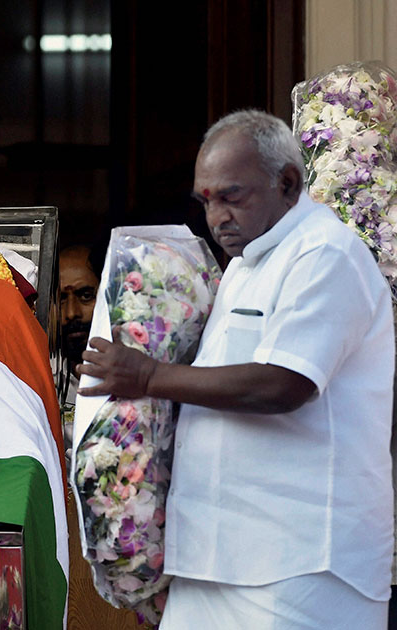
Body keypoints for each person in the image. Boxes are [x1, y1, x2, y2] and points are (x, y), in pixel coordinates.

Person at [78, 110, 393, 629]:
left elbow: (283, 383)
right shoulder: (245, 264)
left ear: (287, 183)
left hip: (299, 567)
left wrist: (149, 376)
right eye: (207, 201)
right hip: (211, 560)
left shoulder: (326, 253)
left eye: (232, 196)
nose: (217, 216)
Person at [56, 245, 101, 406]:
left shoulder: (134, 374)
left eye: (86, 296)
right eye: (61, 299)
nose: (71, 313)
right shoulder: (42, 380)